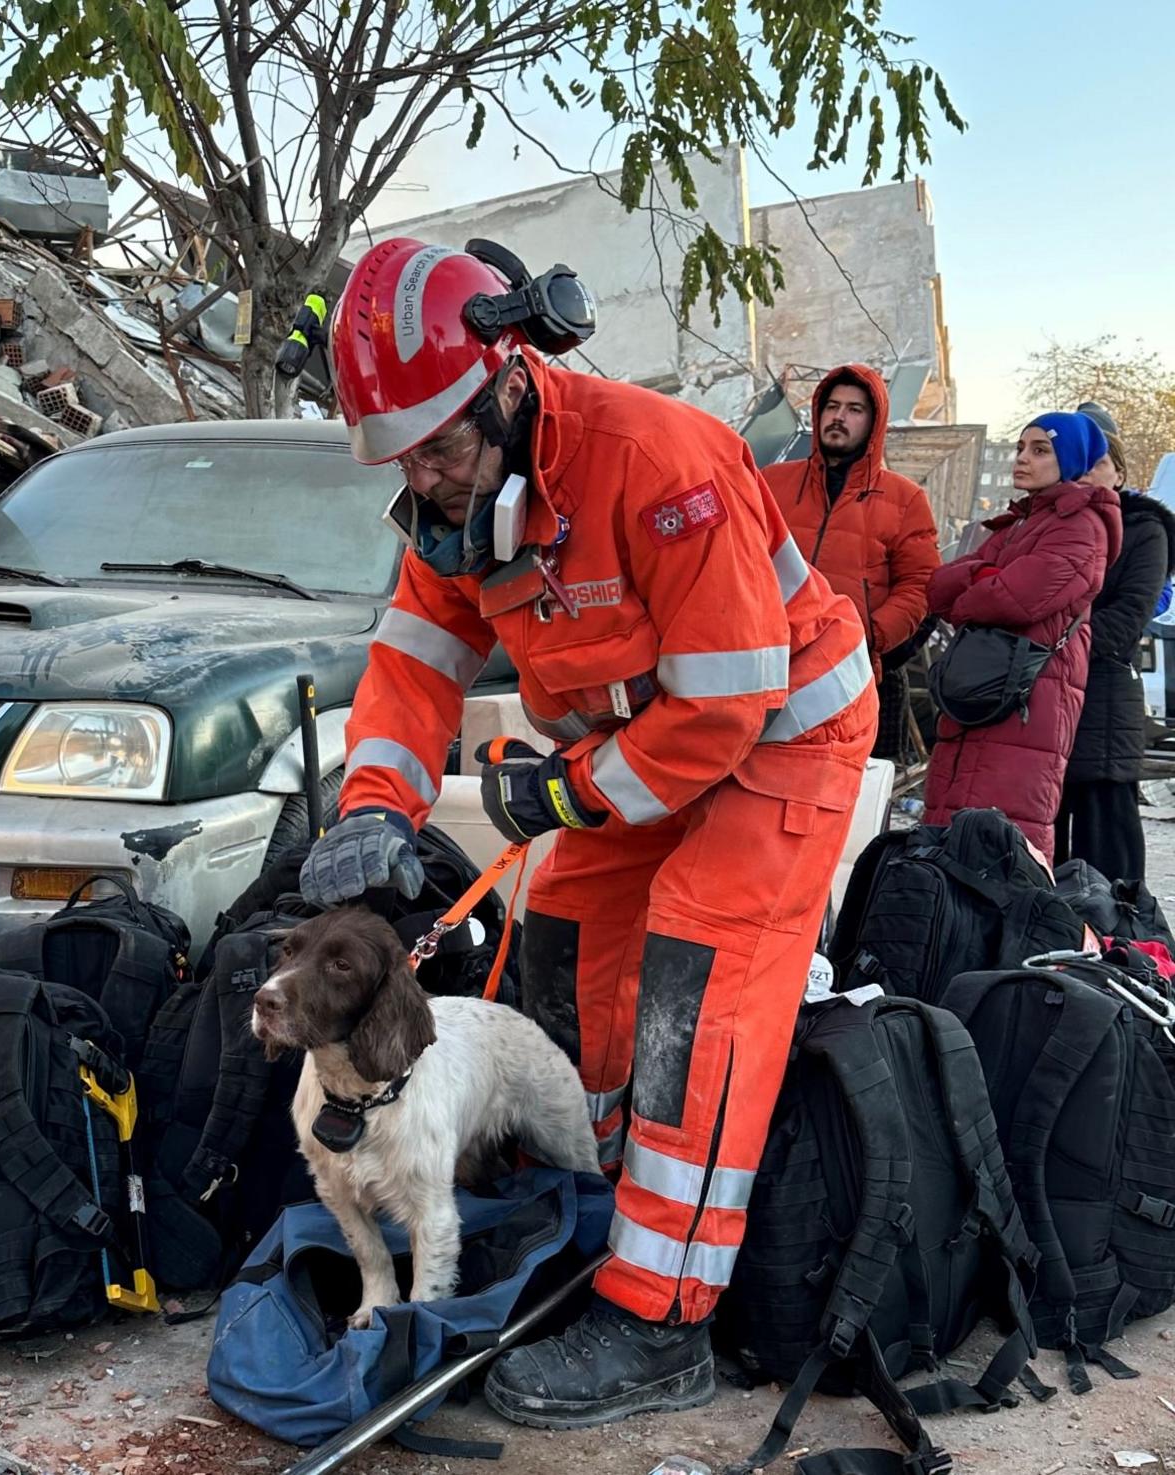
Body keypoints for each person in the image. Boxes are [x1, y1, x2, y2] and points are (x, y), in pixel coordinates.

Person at [298, 237, 877, 1429]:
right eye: (401, 459)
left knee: (694, 983)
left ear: (509, 380)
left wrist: (565, 792)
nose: (430, 481)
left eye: (443, 448)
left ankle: (663, 1315)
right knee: (562, 945)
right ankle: (590, 1202)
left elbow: (726, 699)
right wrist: (373, 803)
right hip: (636, 759)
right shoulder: (456, 512)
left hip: (776, 746)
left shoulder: (657, 462)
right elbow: (412, 668)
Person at [923, 413, 1122, 863]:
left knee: (1005, 841)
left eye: (1039, 450)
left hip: (1029, 704)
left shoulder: (1082, 527)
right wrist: (983, 574)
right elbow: (938, 587)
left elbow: (1014, 599)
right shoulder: (1017, 524)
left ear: (1069, 459)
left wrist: (975, 583)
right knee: (951, 836)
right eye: (1019, 448)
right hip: (985, 694)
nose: (1021, 459)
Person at [763, 365, 940, 696]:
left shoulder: (905, 499)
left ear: (874, 423)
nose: (839, 416)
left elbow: (919, 586)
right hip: (771, 661)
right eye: (832, 406)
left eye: (854, 409)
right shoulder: (772, 482)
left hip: (849, 672)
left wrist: (870, 635)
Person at [1056, 411, 1175, 880]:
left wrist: (1047, 642)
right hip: (1044, 706)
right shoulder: (1045, 527)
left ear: (1120, 474)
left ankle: (1116, 945)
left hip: (1103, 702)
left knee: (1106, 856)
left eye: (1097, 462)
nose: (1084, 473)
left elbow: (1126, 621)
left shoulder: (1144, 531)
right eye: (1076, 463)